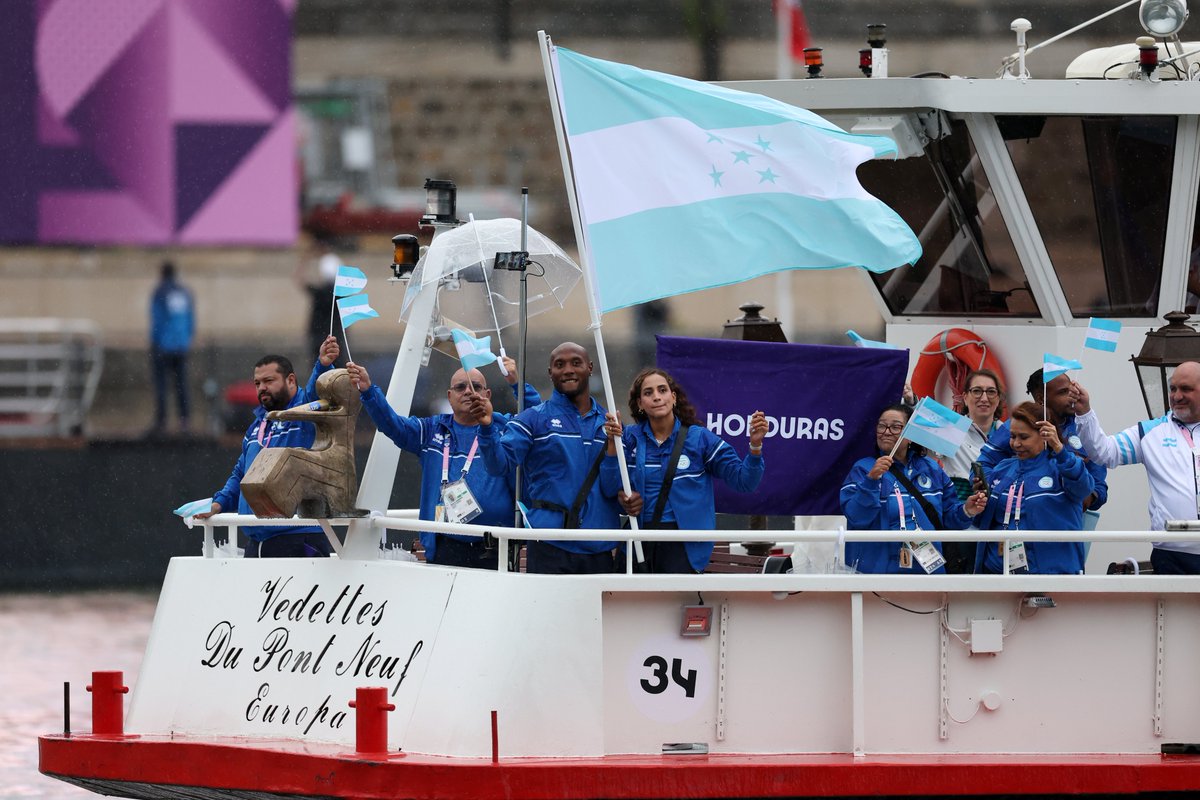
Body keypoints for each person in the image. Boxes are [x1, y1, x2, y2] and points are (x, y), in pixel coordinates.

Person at [346, 356, 540, 569]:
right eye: (460, 387)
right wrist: (368, 391)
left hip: (496, 546)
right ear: (450, 396)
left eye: (476, 387)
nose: (468, 391)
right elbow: (392, 425)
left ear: (487, 395)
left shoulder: (505, 427)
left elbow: (538, 420)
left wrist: (516, 383)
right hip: (445, 545)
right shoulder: (432, 430)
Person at [469, 342, 620, 574]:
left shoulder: (610, 424)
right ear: (550, 372)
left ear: (590, 367)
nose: (568, 370)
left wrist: (632, 497)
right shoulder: (533, 419)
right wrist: (487, 428)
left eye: (576, 363)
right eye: (560, 365)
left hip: (599, 546)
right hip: (549, 544)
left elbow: (614, 487)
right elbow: (499, 465)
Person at [600, 369, 767, 573]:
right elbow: (609, 488)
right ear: (640, 404)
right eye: (648, 393)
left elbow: (745, 482)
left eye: (662, 390)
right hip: (637, 542)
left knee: (673, 596)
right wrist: (612, 444)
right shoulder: (628, 437)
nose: (657, 397)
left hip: (683, 546)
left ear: (674, 397)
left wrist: (755, 445)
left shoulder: (700, 439)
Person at [196, 337, 339, 557]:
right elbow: (241, 475)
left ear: (291, 380)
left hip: (298, 537)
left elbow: (317, 392)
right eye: (257, 383)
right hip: (257, 541)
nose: (262, 388)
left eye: (269, 381)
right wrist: (218, 504)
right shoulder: (257, 426)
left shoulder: (306, 414)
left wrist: (322, 364)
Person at [1073, 362, 1200, 573]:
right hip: (1172, 555)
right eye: (1173, 388)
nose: (1177, 396)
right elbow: (1104, 452)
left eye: (1186, 389)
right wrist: (1085, 413)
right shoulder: (1150, 432)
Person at [840, 404, 987, 574]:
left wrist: (967, 511)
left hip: (928, 572)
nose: (886, 432)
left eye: (896, 427)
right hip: (878, 574)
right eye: (882, 426)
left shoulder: (932, 469)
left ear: (910, 435)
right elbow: (857, 518)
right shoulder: (863, 469)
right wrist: (871, 480)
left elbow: (949, 519)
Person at [973, 401, 1096, 574]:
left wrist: (1060, 450)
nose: (1016, 444)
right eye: (1012, 436)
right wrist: (977, 504)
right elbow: (982, 521)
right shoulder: (1003, 468)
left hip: (1049, 576)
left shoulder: (1061, 467)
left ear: (1044, 435)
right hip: (997, 575)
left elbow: (1084, 488)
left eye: (1023, 437)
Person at [976, 369, 1108, 515]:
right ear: (1041, 398)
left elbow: (1099, 483)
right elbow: (983, 464)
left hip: (1069, 522)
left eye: (1072, 389)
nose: (1072, 396)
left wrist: (1089, 496)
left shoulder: (1084, 428)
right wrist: (1001, 492)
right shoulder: (1016, 427)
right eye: (1063, 392)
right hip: (1018, 520)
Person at [941, 368, 1006, 572]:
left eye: (991, 392)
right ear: (965, 396)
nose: (984, 398)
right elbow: (917, 432)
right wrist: (910, 400)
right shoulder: (950, 430)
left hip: (998, 526)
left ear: (998, 398)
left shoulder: (1010, 434)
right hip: (963, 526)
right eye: (977, 391)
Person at [149, 260, 194, 434]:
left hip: (163, 345)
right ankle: (184, 421)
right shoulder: (184, 292)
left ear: (162, 273)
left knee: (161, 385)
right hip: (181, 346)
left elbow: (157, 320)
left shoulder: (160, 292)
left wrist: (156, 342)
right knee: (182, 384)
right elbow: (191, 320)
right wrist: (186, 339)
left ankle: (162, 421)